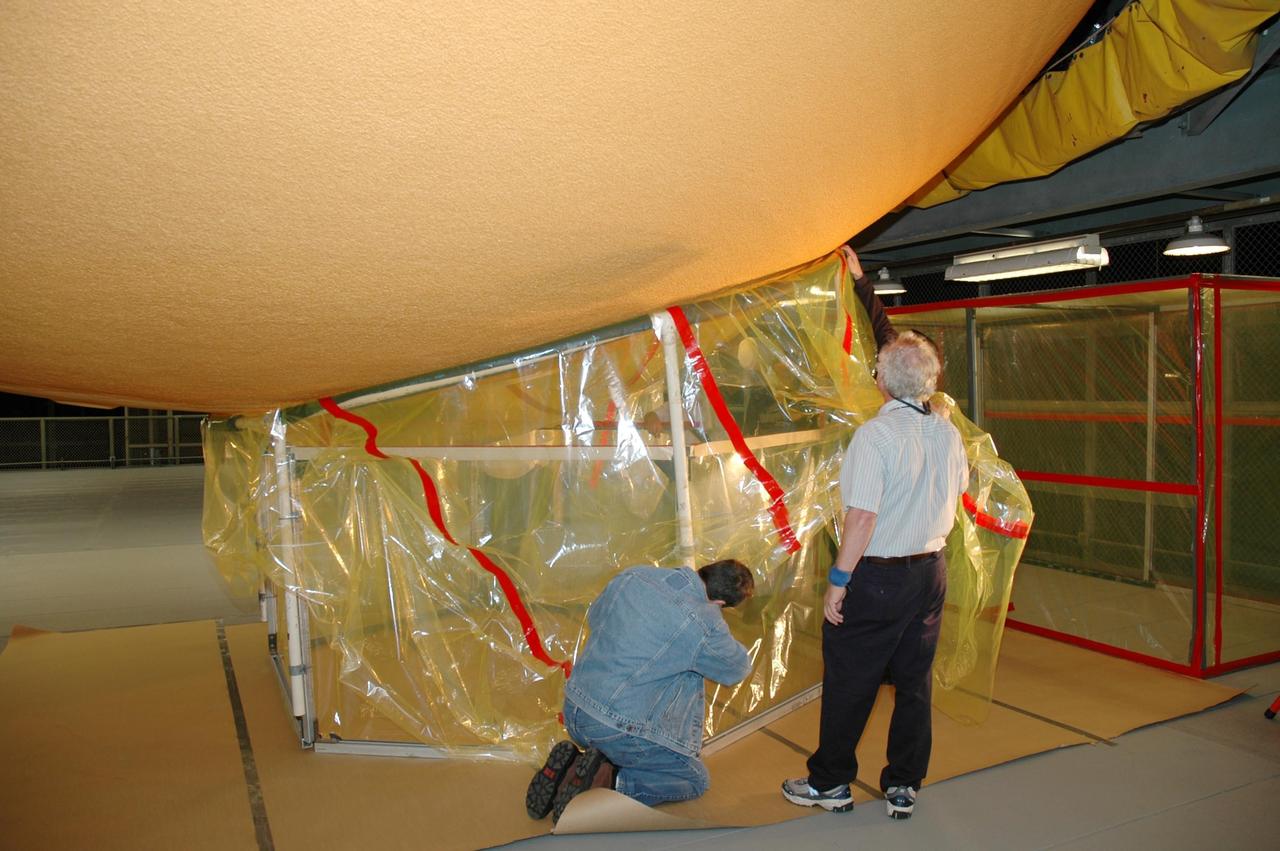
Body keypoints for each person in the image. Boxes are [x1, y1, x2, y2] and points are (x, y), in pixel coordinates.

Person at [781, 331, 968, 820]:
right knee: (913, 681)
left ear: (882, 381)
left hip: (880, 577)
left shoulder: (875, 436)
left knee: (849, 679)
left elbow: (862, 519)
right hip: (931, 572)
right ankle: (904, 783)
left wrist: (839, 582)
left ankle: (830, 783)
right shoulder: (948, 432)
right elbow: (960, 489)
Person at [525, 560, 755, 822]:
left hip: (575, 708)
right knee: (694, 779)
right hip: (614, 729)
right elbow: (736, 669)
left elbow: (597, 616)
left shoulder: (634, 575)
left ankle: (573, 769)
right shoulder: (704, 621)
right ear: (721, 604)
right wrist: (713, 619)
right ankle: (605, 783)